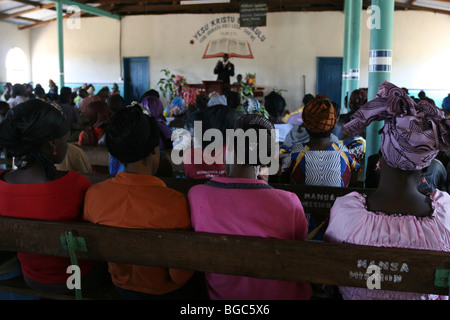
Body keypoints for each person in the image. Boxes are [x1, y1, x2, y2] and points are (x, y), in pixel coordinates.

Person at [324, 81, 450, 300]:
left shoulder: (346, 213)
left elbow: (332, 274)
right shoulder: (445, 217)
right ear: (428, 166)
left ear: (380, 157)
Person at [83, 104, 207, 300]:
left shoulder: (94, 195)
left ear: (115, 153)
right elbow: (178, 275)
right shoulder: (175, 202)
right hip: (165, 291)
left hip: (120, 286)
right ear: (154, 151)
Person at [188, 114, 313, 300]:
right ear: (266, 158)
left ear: (229, 148)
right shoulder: (288, 202)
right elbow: (299, 248)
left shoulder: (197, 196)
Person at [0, 99, 102, 294]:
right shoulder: (75, 184)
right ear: (53, 143)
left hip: (31, 277)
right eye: (66, 139)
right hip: (78, 279)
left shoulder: (2, 186)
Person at [281, 94, 360, 187]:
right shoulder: (347, 155)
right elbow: (353, 187)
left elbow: (284, 188)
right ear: (334, 123)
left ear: (305, 124)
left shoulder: (292, 155)